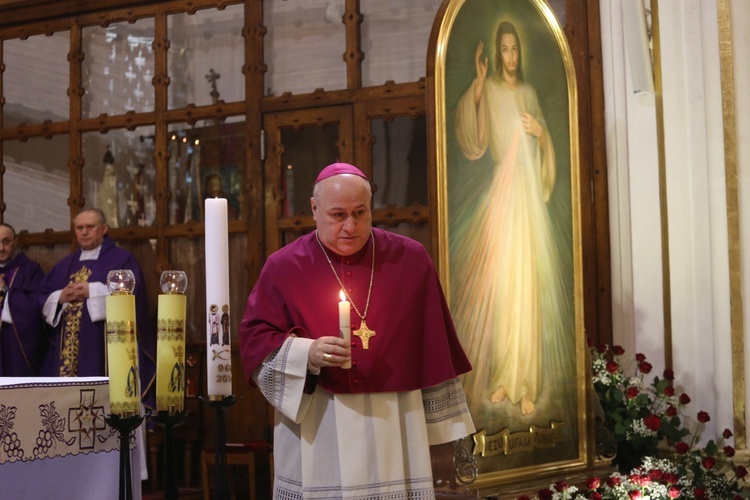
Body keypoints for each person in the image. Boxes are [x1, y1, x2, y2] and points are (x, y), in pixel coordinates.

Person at [239, 162, 475, 499]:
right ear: (314, 208)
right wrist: (308, 352)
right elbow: (255, 339)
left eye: (360, 213)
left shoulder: (410, 259)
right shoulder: (283, 266)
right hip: (319, 418)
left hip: (395, 416)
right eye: (338, 215)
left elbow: (433, 342)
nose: (350, 226)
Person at [453, 20, 573, 416]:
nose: (509, 56)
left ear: (520, 53)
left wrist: (540, 132)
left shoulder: (529, 92)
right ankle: (505, 377)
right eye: (503, 49)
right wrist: (476, 85)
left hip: (528, 201)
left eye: (514, 49)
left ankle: (528, 383)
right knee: (506, 289)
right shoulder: (487, 90)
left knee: (529, 287)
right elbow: (473, 140)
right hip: (504, 197)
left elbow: (545, 148)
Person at [41, 208, 156, 408]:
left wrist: (91, 290)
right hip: (68, 357)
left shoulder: (122, 259)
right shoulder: (65, 264)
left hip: (103, 350)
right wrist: (60, 297)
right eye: (79, 228)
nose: (84, 232)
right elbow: (41, 298)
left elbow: (132, 296)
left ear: (103, 229)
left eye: (90, 227)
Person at [0, 223, 48, 376]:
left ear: (15, 242)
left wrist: (4, 292)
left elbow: (37, 306)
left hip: (13, 347)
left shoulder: (30, 270)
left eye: (6, 242)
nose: (1, 248)